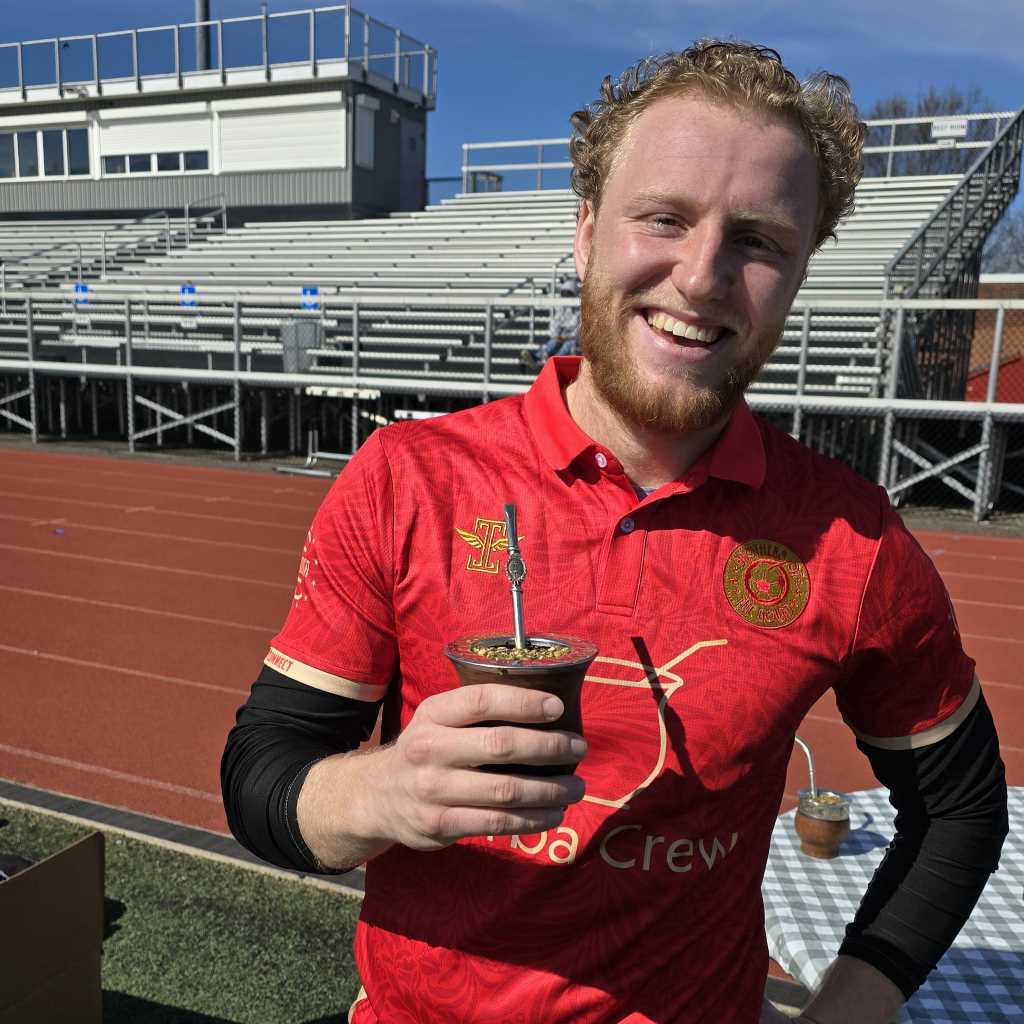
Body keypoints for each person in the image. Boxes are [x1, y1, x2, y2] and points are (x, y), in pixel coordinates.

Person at [221, 40, 1008, 1024]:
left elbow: (961, 807)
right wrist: (382, 796)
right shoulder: (411, 479)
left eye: (758, 240)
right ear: (588, 228)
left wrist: (854, 1004)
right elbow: (260, 780)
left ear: (800, 274)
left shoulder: (849, 539)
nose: (702, 274)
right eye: (664, 218)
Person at [520, 278, 580, 369]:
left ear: (574, 294)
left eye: (568, 293)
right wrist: (556, 336)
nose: (565, 296)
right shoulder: (562, 308)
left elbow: (580, 329)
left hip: (575, 339)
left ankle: (554, 361)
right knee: (553, 341)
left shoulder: (580, 310)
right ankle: (536, 357)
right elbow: (555, 323)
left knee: (568, 344)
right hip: (563, 336)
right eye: (564, 293)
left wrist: (566, 337)